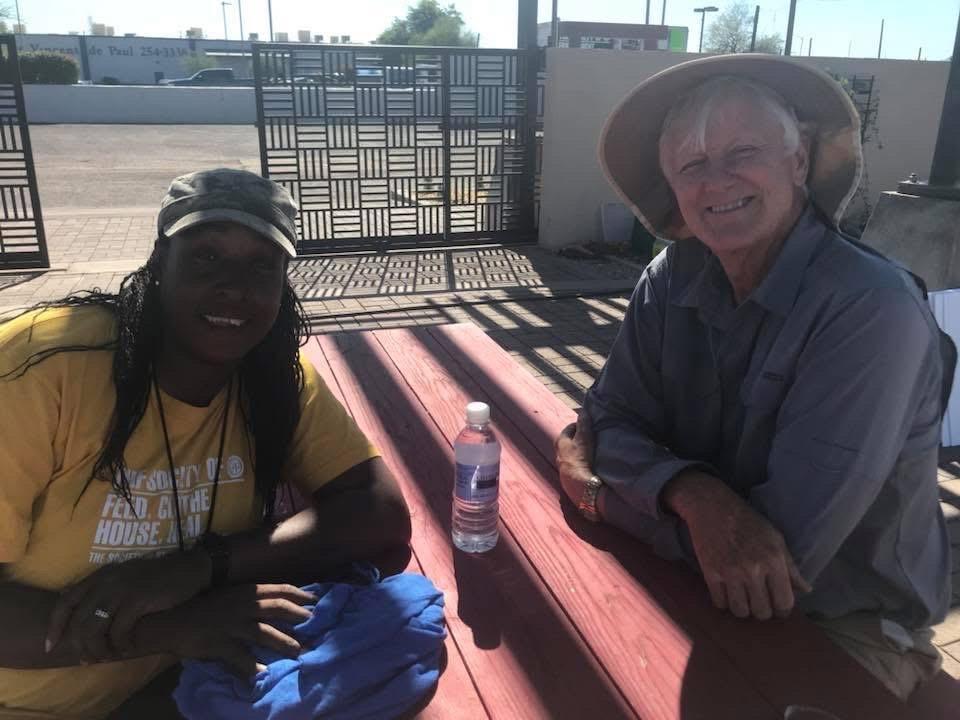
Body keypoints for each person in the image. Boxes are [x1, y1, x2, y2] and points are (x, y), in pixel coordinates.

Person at [554, 54, 951, 702]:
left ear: (798, 162)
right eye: (692, 165)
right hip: (694, 578)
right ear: (672, 188)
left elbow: (774, 564)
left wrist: (594, 489)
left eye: (743, 152)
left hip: (846, 624)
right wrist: (692, 492)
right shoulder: (673, 273)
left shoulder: (867, 308)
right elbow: (608, 418)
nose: (717, 182)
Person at [0, 169, 412, 719]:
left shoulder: (271, 376)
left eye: (261, 265)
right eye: (207, 257)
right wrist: (172, 627)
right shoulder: (39, 369)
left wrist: (201, 568)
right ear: (159, 259)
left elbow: (378, 510)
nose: (235, 287)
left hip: (182, 690)